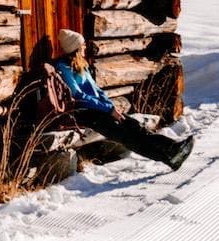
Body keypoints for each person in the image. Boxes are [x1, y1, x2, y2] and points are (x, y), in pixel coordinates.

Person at [51, 29, 194, 170]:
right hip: (86, 113)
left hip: (99, 109)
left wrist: (110, 107)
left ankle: (171, 153)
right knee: (128, 136)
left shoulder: (81, 65)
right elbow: (78, 96)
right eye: (82, 44)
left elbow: (97, 91)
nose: (85, 46)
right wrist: (108, 110)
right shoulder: (64, 68)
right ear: (75, 47)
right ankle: (171, 151)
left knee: (133, 126)